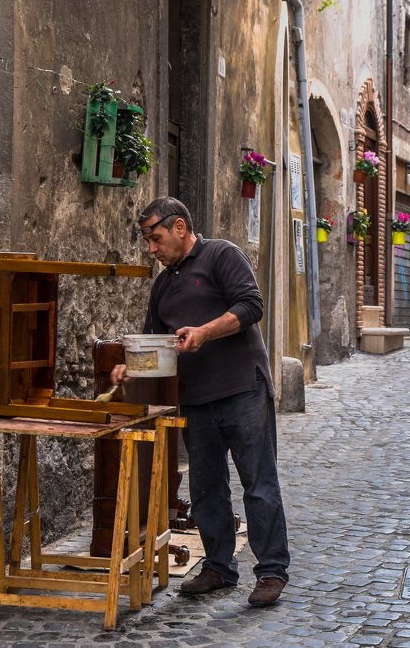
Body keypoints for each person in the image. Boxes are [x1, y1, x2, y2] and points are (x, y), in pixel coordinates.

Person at [111, 197, 290, 607]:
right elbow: (153, 345)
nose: (151, 249)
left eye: (155, 238)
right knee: (207, 488)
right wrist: (129, 368)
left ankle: (272, 571)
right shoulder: (162, 286)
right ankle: (219, 568)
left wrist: (205, 332)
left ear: (179, 227)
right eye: (147, 241)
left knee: (258, 484)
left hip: (243, 388)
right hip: (197, 400)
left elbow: (251, 306)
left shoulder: (221, 255)